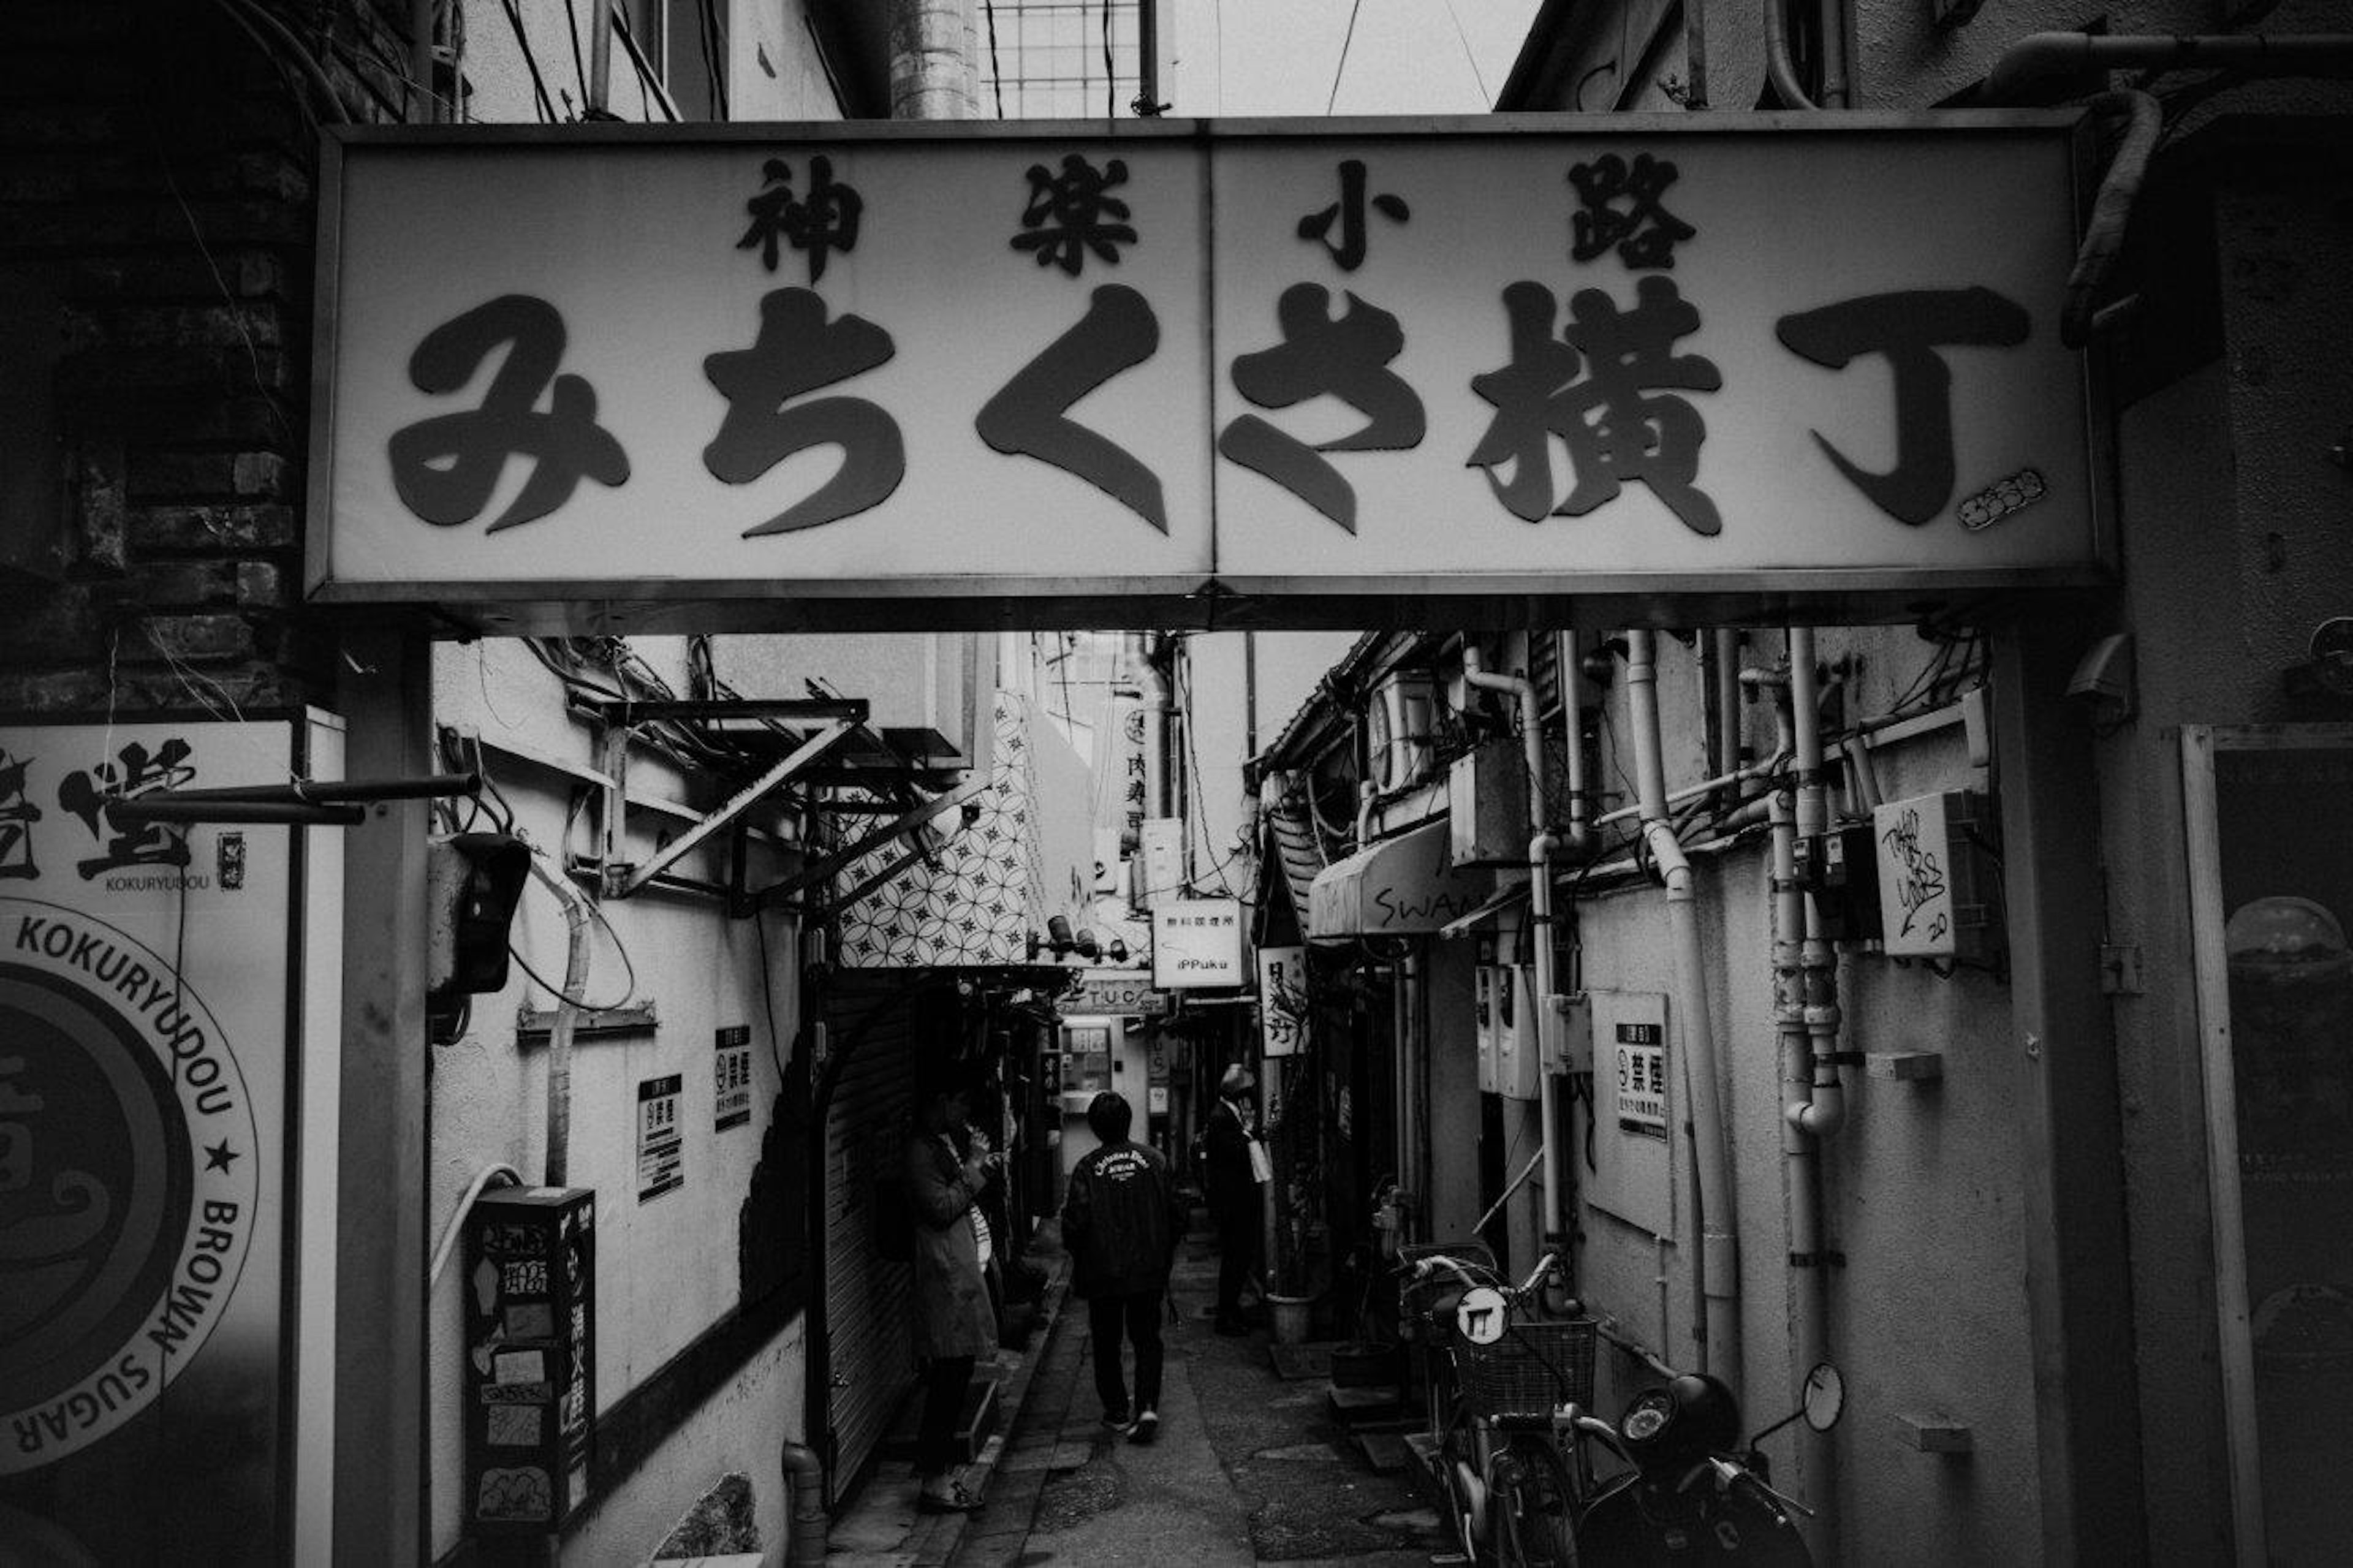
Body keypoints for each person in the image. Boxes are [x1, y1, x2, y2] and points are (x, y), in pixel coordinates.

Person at [1061, 1091, 1186, 1444]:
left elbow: (1075, 1224)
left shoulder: (1087, 1168)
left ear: (1095, 1127)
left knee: (1106, 1342)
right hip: (1148, 1270)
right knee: (1147, 1339)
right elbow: (1178, 1214)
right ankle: (1146, 1406)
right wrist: (1164, 1250)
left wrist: (1080, 1255)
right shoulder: (1155, 1160)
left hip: (1103, 1274)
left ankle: (1117, 1411)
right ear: (1128, 1121)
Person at [904, 1075, 1003, 1513]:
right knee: (948, 1378)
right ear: (941, 1099)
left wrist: (978, 1162)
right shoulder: (920, 1151)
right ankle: (934, 1479)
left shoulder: (941, 1140)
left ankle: (938, 1474)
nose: (965, 1113)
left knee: (956, 1373)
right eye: (961, 1102)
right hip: (944, 1273)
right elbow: (942, 1207)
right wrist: (976, 1167)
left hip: (956, 1269)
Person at [1203, 1063, 1266, 1336]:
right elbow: (1235, 1153)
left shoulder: (1227, 1114)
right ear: (1238, 1094)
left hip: (1235, 1201)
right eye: (1247, 1092)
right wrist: (1250, 1131)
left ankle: (1232, 1310)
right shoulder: (1222, 1118)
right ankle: (1226, 1315)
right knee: (1235, 1260)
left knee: (1237, 1259)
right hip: (1233, 1203)